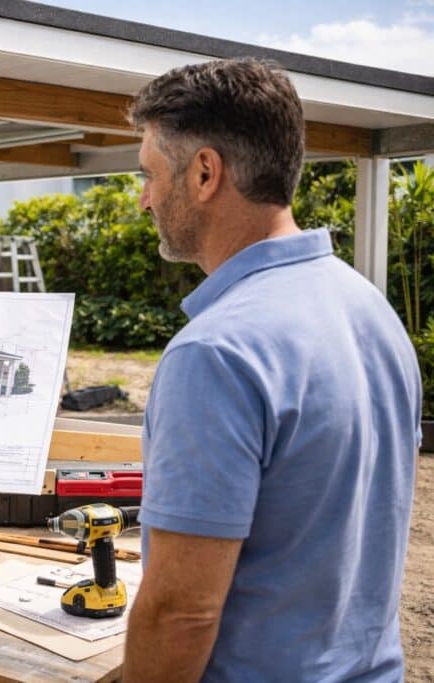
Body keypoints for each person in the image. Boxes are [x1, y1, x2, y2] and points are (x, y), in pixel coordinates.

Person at [121, 58, 422, 682]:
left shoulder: (215, 352)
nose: (145, 199)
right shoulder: (369, 309)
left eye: (149, 175)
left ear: (205, 172)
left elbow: (181, 612)